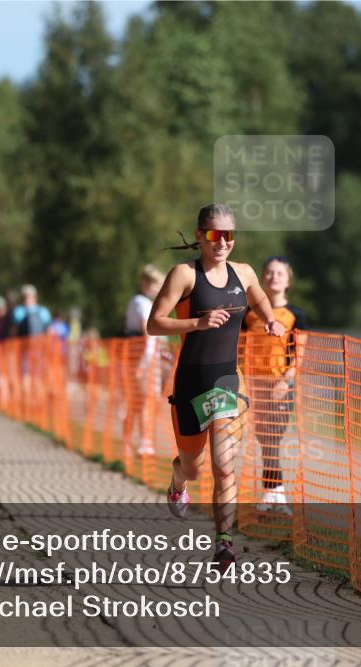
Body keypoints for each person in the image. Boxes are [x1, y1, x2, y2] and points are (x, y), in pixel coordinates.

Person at [147, 203, 285, 570]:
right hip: (191, 381)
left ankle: (224, 543)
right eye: (213, 234)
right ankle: (178, 480)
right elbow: (154, 324)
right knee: (194, 466)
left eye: (229, 235)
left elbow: (257, 297)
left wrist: (270, 319)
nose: (222, 242)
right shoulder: (185, 275)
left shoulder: (243, 272)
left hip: (226, 380)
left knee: (225, 466)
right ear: (199, 236)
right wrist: (197, 323)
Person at [243, 257, 307, 511]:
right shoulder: (249, 313)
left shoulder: (296, 315)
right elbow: (239, 347)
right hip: (253, 383)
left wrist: (286, 380)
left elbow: (299, 352)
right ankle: (274, 493)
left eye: (279, 273)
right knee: (263, 437)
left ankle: (275, 492)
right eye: (269, 273)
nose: (274, 277)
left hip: (281, 384)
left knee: (273, 436)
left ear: (288, 280)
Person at [124, 265, 166, 456]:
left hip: (143, 358)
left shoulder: (138, 302)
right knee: (144, 402)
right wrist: (143, 364)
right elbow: (147, 332)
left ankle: (133, 441)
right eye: (155, 283)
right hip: (144, 360)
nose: (157, 288)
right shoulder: (142, 303)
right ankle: (143, 442)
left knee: (139, 402)